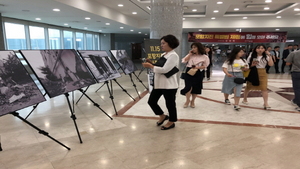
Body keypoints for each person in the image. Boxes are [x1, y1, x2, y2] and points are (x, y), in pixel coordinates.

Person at [142, 34, 179, 130]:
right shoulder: (164, 54)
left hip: (169, 85)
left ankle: (171, 121)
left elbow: (165, 70)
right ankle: (162, 115)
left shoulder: (173, 56)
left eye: (163, 43)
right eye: (161, 43)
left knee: (170, 104)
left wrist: (151, 66)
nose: (161, 45)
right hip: (159, 83)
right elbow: (159, 67)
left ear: (170, 43)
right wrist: (152, 63)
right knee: (152, 101)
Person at [242, 44, 274, 109]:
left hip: (262, 72)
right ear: (255, 49)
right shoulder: (251, 55)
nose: (260, 50)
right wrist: (252, 65)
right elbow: (247, 64)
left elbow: (271, 64)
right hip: (253, 72)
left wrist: (269, 55)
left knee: (264, 88)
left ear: (265, 49)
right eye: (258, 48)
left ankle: (266, 103)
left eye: (262, 48)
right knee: (248, 86)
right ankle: (244, 99)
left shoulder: (266, 56)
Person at [180, 42, 210, 108]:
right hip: (189, 71)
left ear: (199, 48)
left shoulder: (205, 57)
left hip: (198, 72)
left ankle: (193, 101)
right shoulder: (190, 55)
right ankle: (187, 100)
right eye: (192, 47)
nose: (193, 49)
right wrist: (189, 54)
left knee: (196, 87)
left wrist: (197, 67)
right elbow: (183, 61)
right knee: (188, 87)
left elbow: (205, 65)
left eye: (195, 47)